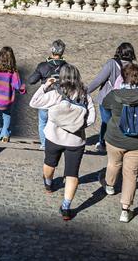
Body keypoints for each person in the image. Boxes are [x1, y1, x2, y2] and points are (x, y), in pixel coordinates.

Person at [30, 64, 95, 221]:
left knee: (50, 163)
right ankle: (66, 207)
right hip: (76, 140)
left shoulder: (56, 94)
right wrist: (76, 126)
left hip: (54, 136)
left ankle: (48, 183)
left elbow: (34, 102)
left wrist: (46, 85)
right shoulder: (85, 96)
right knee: (72, 174)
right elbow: (91, 119)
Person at [100, 62, 138, 222]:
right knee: (131, 175)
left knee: (113, 163)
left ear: (123, 77)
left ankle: (109, 185)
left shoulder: (114, 94)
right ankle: (125, 209)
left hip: (115, 138)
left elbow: (105, 105)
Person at [86, 42, 138, 154]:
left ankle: (103, 143)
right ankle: (118, 143)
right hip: (123, 100)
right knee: (120, 120)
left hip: (107, 98)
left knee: (106, 122)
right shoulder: (133, 68)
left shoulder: (111, 63)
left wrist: (86, 91)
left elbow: (99, 80)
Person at [25, 40, 68, 148]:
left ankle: (44, 144)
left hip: (46, 97)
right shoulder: (67, 67)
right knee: (56, 123)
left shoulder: (43, 66)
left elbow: (31, 80)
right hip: (59, 98)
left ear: (51, 50)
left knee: (43, 122)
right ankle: (55, 143)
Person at [0, 46, 25, 142]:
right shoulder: (13, 72)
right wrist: (23, 89)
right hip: (6, 100)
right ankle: (5, 134)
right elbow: (17, 86)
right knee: (7, 116)